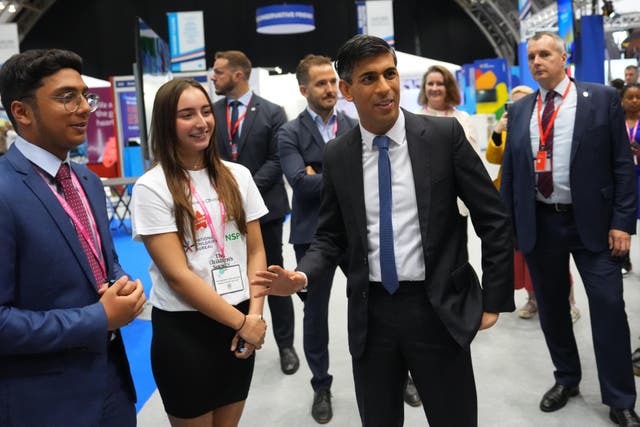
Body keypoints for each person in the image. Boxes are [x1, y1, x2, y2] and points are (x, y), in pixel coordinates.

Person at [253, 34, 515, 427]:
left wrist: (494, 299)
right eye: (369, 78)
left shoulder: (444, 138)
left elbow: (492, 217)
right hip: (371, 314)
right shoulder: (339, 154)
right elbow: (330, 236)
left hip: (437, 308)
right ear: (346, 89)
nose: (384, 87)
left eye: (389, 74)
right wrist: (302, 274)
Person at [0, 48, 146, 426]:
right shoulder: (3, 191)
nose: (84, 108)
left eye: (85, 95)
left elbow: (102, 260)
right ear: (22, 112)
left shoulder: (88, 182)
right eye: (67, 97)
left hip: (114, 384)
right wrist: (98, 317)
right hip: (46, 403)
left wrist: (122, 286)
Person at [500, 31, 639, 426]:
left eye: (546, 54)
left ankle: (619, 398)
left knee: (609, 307)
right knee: (552, 308)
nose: (538, 61)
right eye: (532, 56)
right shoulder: (523, 108)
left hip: (592, 224)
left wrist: (622, 222)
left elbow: (621, 166)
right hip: (541, 223)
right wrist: (509, 225)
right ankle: (567, 379)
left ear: (564, 58)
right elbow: (511, 172)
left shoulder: (600, 100)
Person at [130, 78, 268, 427]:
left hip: (240, 319)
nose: (201, 122)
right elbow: (178, 276)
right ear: (166, 123)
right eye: (186, 114)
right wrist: (244, 324)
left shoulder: (238, 176)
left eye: (206, 111)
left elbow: (255, 251)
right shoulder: (152, 187)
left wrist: (254, 315)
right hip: (185, 331)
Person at [278, 54, 357, 423]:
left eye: (333, 82)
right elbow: (300, 184)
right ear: (303, 89)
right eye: (322, 83)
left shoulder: (355, 123)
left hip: (358, 230)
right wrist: (342, 174)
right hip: (312, 236)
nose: (330, 89)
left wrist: (320, 170)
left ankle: (398, 373)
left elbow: (371, 172)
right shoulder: (289, 133)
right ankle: (321, 385)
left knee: (379, 304)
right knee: (315, 314)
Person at [211, 50, 299, 375]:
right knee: (227, 279)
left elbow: (278, 161)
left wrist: (242, 191)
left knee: (271, 280)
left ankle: (286, 345)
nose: (213, 77)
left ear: (237, 75)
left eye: (219, 72)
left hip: (267, 212)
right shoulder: (212, 112)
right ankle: (236, 334)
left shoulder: (273, 112)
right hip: (220, 215)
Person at [487, 85, 581, 323]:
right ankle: (532, 300)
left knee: (557, 260)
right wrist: (498, 131)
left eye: (525, 100)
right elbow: (492, 157)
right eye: (514, 103)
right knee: (524, 258)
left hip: (545, 202)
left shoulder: (544, 125)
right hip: (518, 203)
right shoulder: (510, 128)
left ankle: (569, 302)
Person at [416, 64, 479, 152]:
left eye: (440, 84)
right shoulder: (414, 120)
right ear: (424, 87)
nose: (434, 88)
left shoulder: (463, 119)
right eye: (430, 84)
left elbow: (474, 157)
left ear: (449, 88)